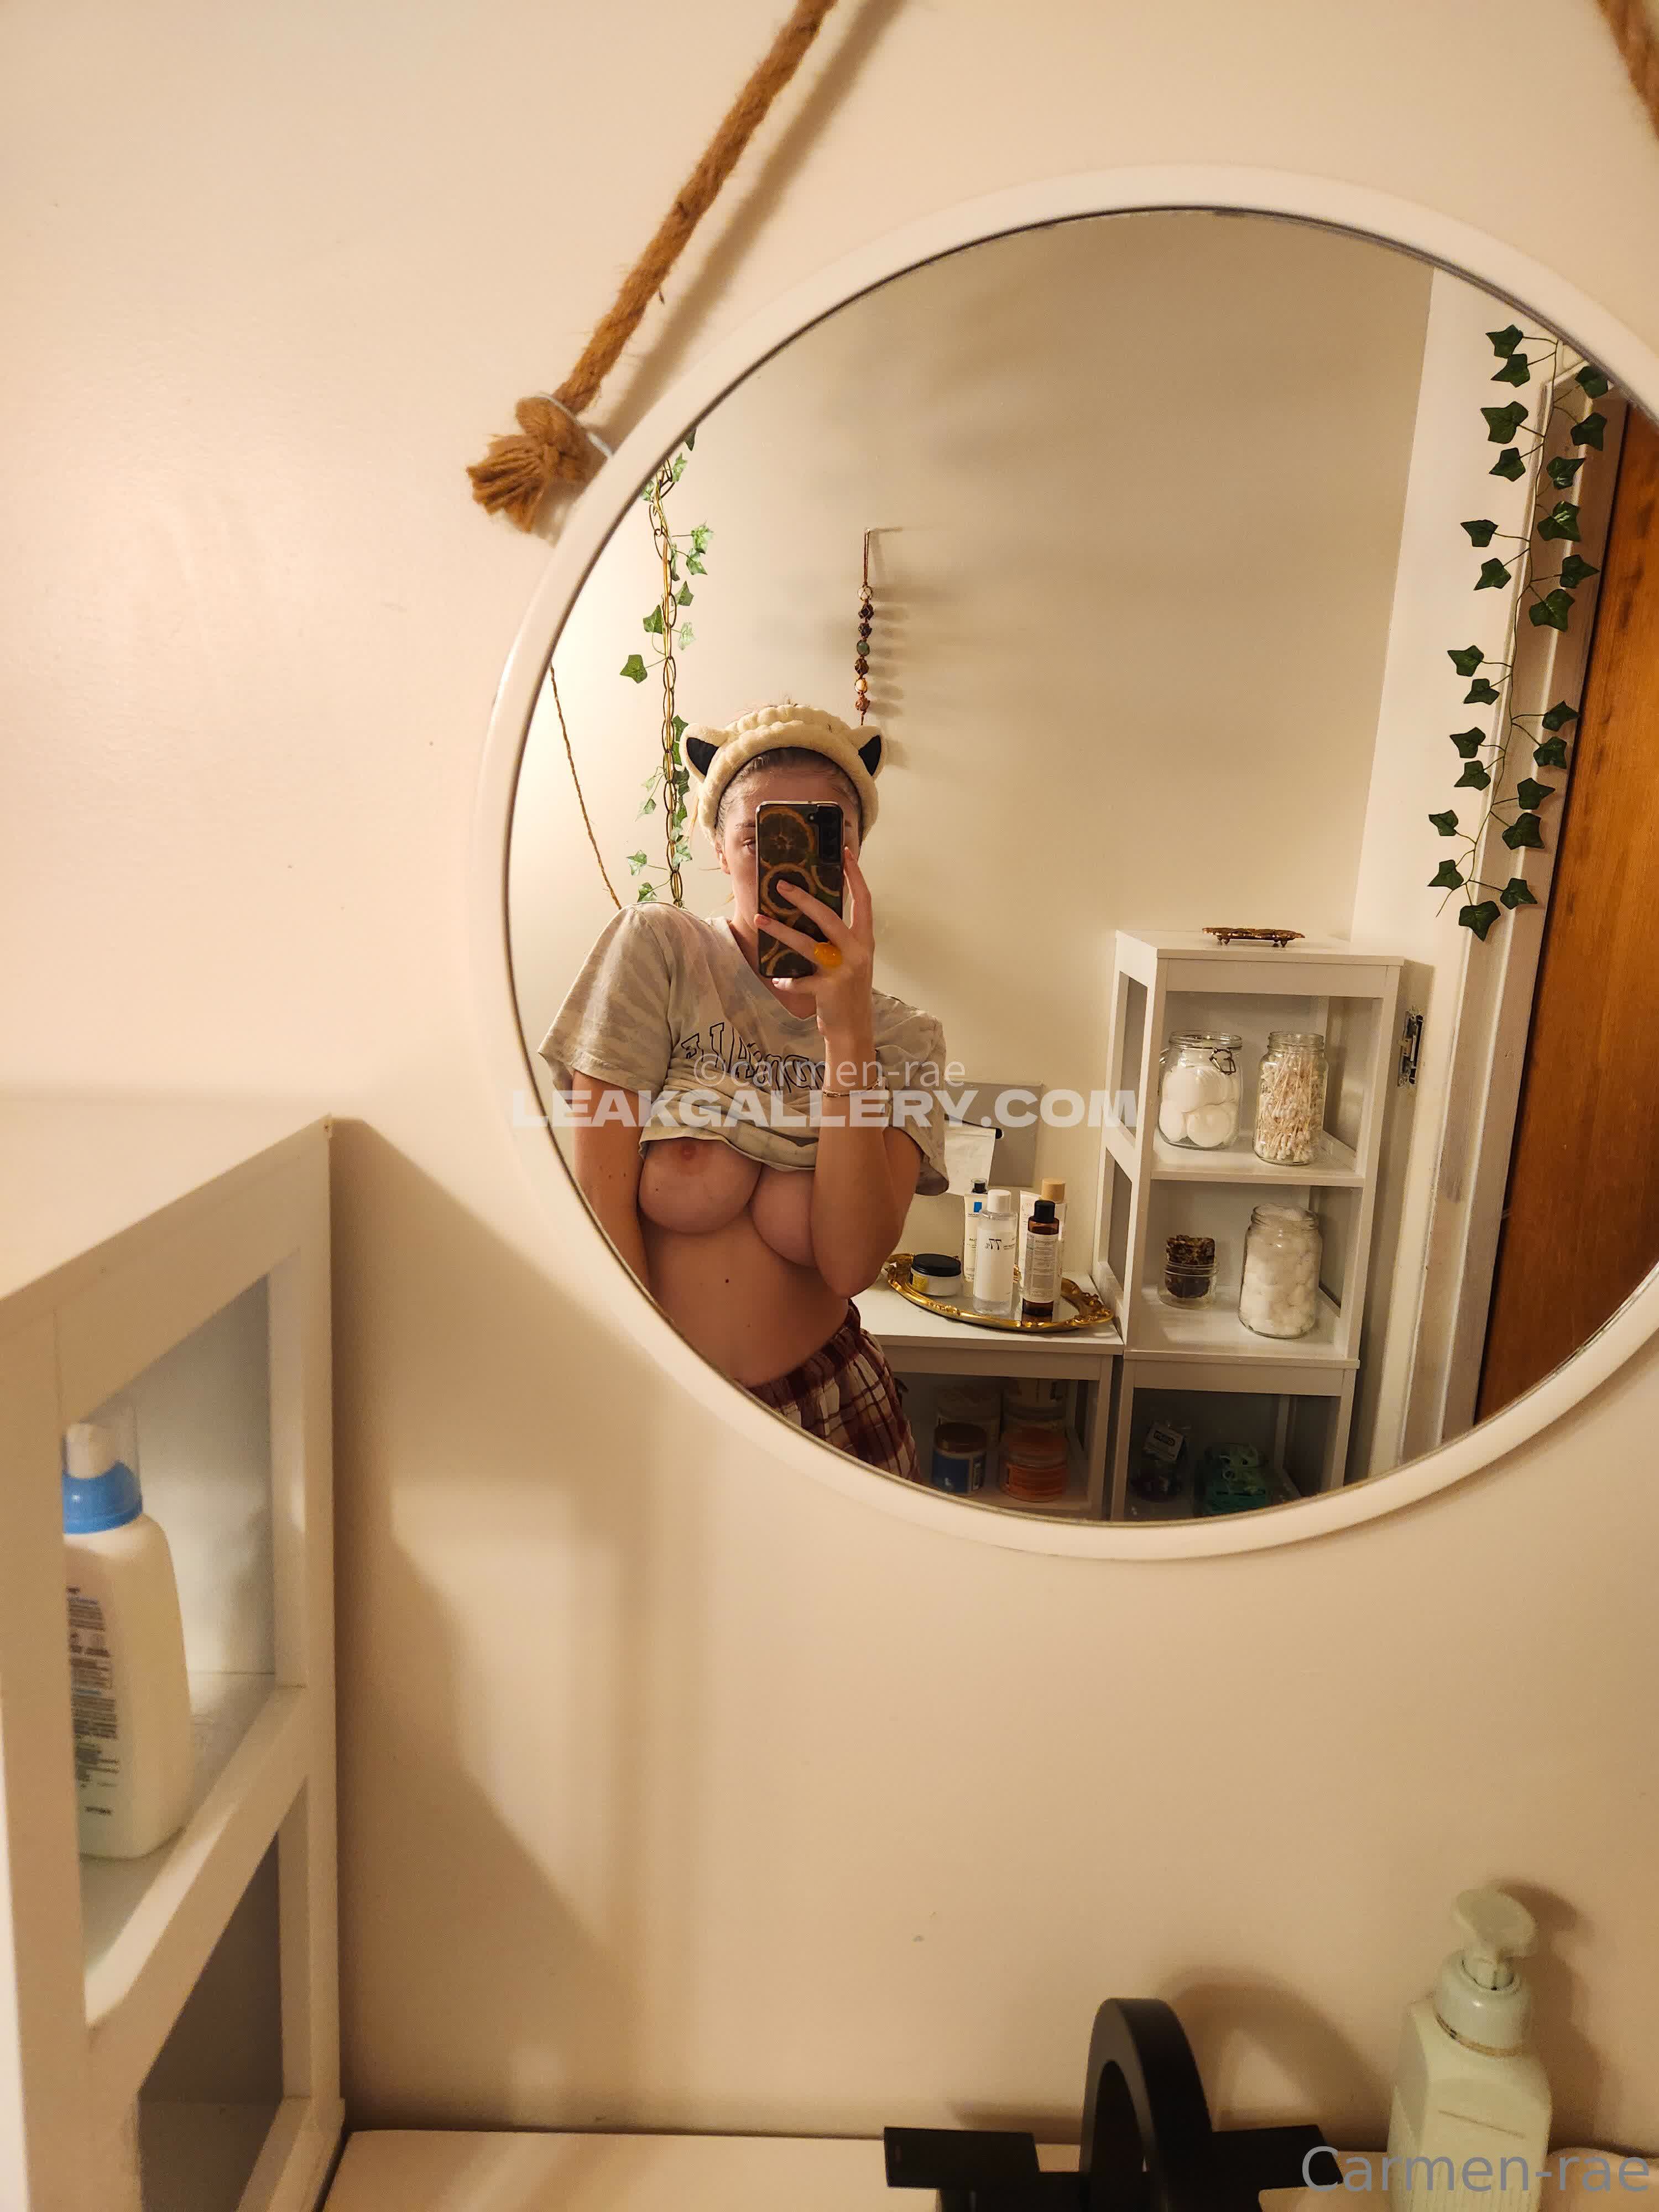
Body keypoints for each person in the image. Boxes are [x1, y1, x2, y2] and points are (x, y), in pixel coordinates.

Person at [539, 701, 947, 1480]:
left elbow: (851, 1264)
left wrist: (848, 1032)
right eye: (759, 836)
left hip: (835, 1410)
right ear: (720, 851)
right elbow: (599, 1201)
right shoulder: (661, 951)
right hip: (661, 1395)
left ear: (853, 857)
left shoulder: (905, 1038)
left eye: (820, 834)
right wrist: (654, 1383)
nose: (782, 863)